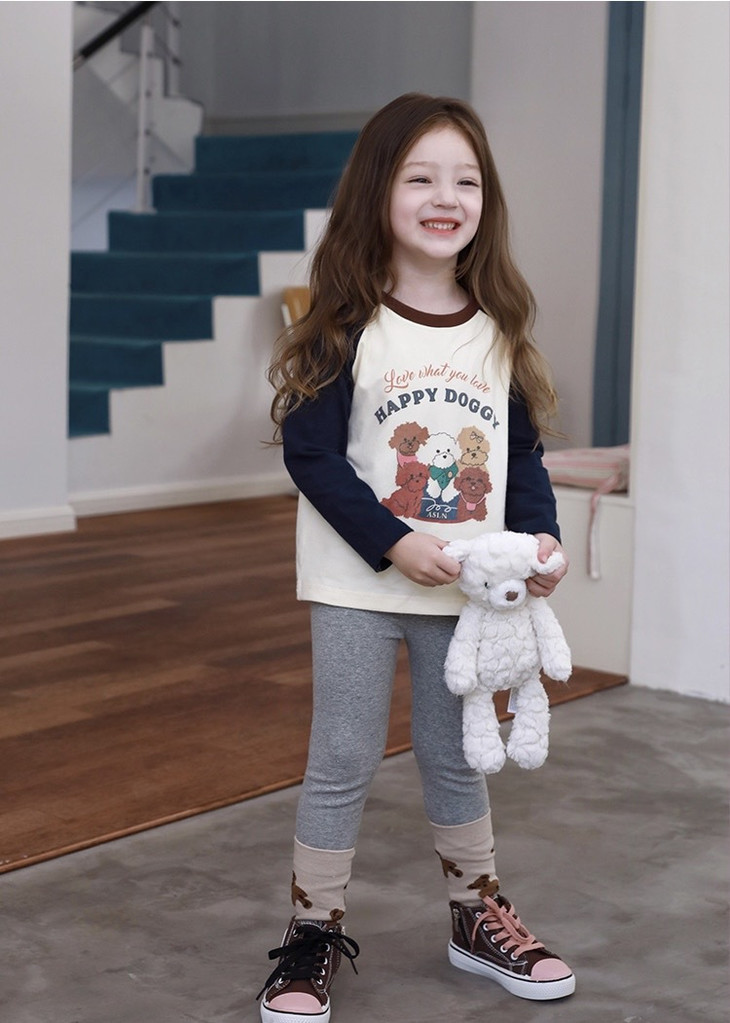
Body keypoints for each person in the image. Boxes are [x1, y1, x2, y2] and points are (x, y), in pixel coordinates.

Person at [257, 93, 575, 1022]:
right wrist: (395, 541)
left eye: (466, 180)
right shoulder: (346, 323)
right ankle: (312, 929)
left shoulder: (499, 327)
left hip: (468, 595)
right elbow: (312, 455)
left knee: (454, 756)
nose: (446, 197)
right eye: (421, 177)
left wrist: (541, 537)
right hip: (359, 583)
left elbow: (521, 457)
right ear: (377, 192)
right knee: (343, 754)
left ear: (486, 201)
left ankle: (477, 915)